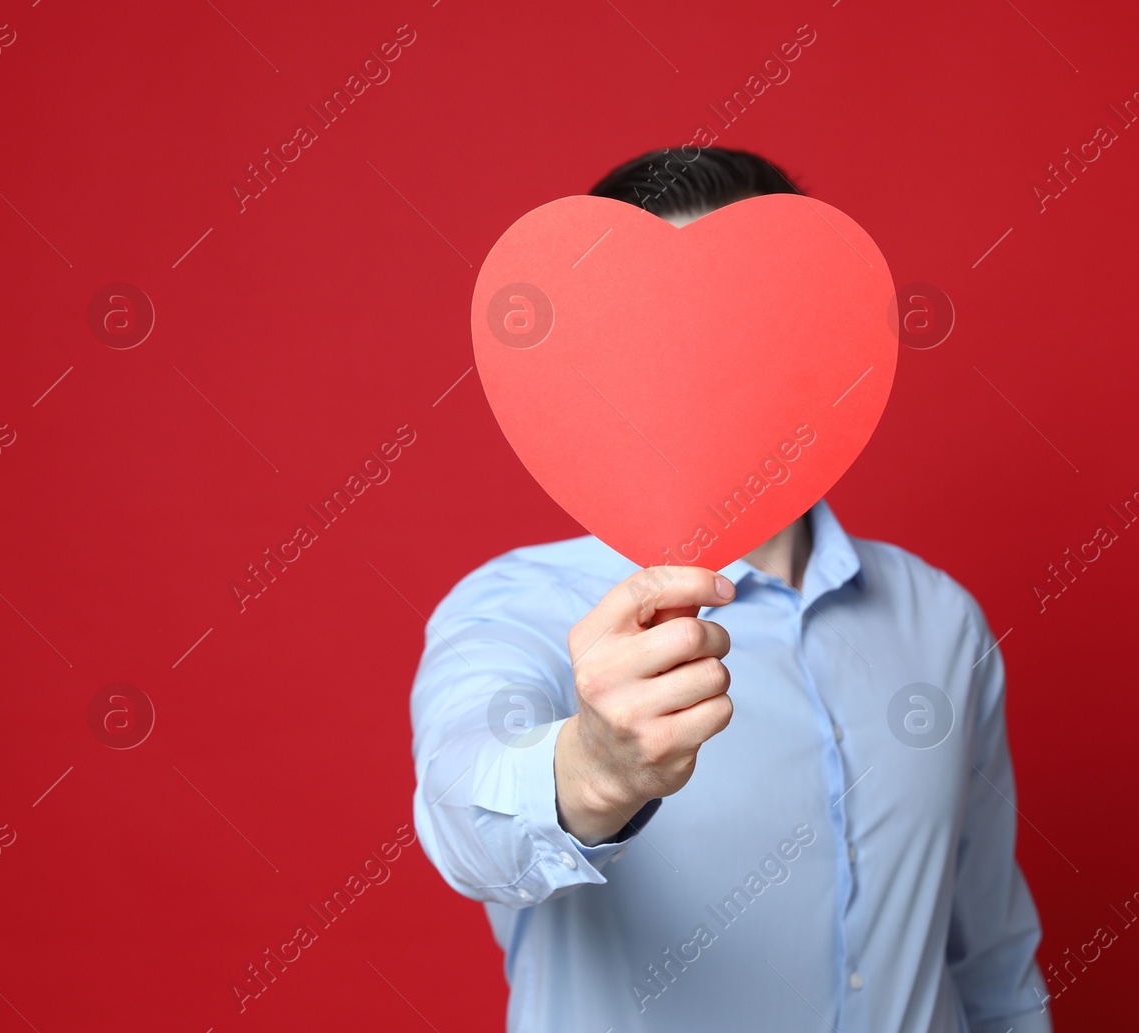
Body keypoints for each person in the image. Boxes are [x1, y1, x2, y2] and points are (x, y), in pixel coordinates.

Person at [409, 147, 1052, 1032]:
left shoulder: (940, 618)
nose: (701, 368)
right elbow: (462, 816)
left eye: (744, 320)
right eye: (655, 335)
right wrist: (594, 770)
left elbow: (992, 953)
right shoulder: (516, 606)